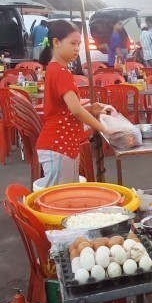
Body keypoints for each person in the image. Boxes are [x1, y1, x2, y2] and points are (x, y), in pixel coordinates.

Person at [36, 20, 114, 187]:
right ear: (56, 42)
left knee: (67, 193)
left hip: (64, 145)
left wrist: (91, 109)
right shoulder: (60, 71)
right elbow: (75, 110)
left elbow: (65, 110)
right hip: (57, 146)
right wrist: (105, 130)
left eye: (78, 44)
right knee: (58, 198)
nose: (77, 48)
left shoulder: (56, 69)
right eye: (72, 43)